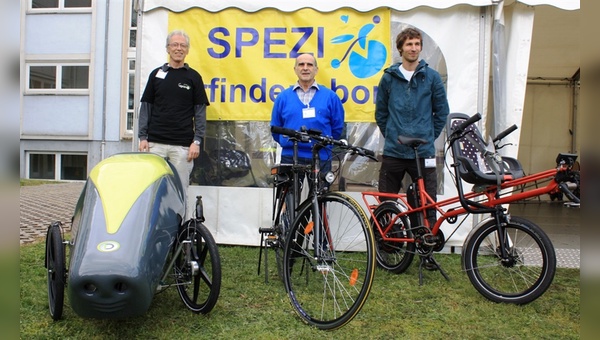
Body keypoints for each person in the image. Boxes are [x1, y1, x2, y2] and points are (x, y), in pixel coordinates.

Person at [375, 27, 450, 230]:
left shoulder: (432, 77)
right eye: (409, 44)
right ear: (401, 48)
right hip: (394, 151)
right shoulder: (389, 78)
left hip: (423, 152)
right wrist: (392, 134)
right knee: (386, 202)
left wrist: (428, 136)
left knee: (426, 203)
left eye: (417, 44)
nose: (413, 48)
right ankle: (387, 246)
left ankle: (427, 246)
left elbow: (442, 112)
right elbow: (381, 113)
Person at [138, 30, 210, 190]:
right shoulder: (156, 75)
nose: (179, 48)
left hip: (182, 147)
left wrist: (196, 142)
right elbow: (146, 107)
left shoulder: (194, 77)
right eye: (175, 45)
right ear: (168, 48)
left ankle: (180, 216)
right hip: (154, 144)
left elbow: (200, 113)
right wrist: (142, 137)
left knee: (179, 189)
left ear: (187, 50)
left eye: (183, 45)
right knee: (151, 188)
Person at [270, 53, 345, 176]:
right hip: (290, 156)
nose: (305, 68)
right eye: (301, 64)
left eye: (309, 65)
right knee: (290, 195)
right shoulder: (283, 97)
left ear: (316, 70)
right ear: (295, 69)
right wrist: (288, 143)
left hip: (321, 157)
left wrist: (323, 145)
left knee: (320, 195)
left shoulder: (330, 97)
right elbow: (275, 128)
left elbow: (337, 128)